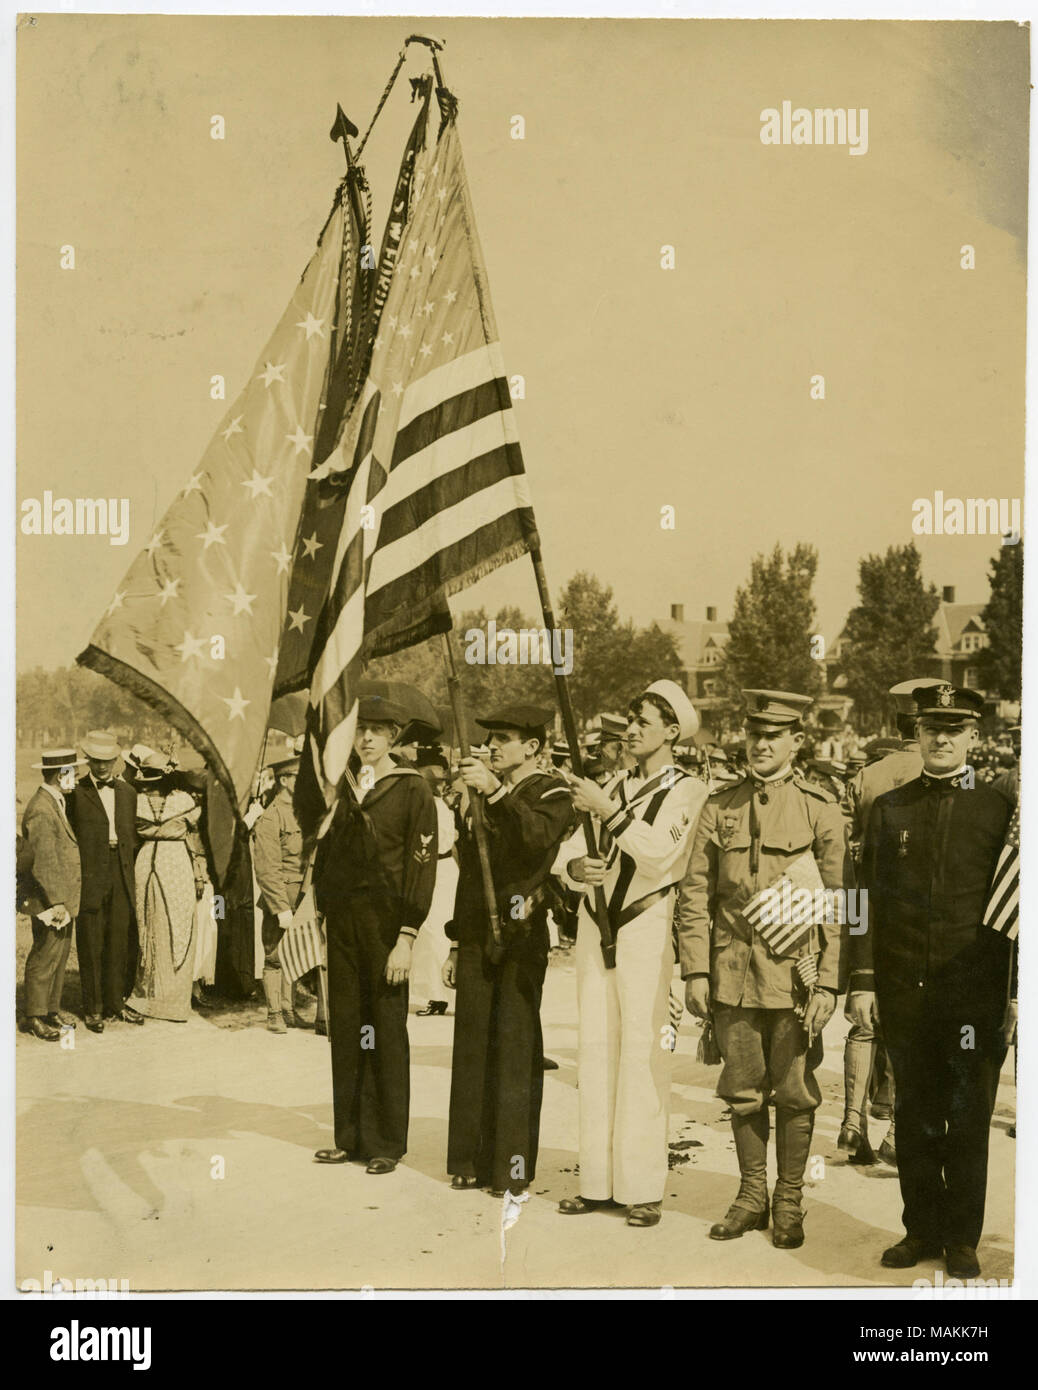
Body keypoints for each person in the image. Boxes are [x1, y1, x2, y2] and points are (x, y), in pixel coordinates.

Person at [850, 684, 1015, 1280]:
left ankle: (963, 1238)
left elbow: (1017, 913)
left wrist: (1015, 994)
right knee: (915, 1116)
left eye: (954, 729)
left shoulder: (998, 811)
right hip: (903, 989)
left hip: (973, 994)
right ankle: (920, 1227)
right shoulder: (890, 807)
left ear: (974, 736)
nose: (941, 738)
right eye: (930, 728)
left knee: (968, 1116)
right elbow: (861, 900)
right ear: (916, 734)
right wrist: (863, 981)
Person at [677, 690, 851, 1249]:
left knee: (795, 1094)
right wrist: (695, 971)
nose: (761, 744)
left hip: (794, 979)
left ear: (797, 742)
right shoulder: (719, 805)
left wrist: (827, 980)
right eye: (754, 735)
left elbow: (838, 901)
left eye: (773, 736)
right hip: (731, 974)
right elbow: (695, 893)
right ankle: (752, 1195)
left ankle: (790, 1199)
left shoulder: (820, 808)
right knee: (742, 1091)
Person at [558, 679, 707, 1227]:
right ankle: (597, 1179)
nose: (633, 728)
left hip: (644, 925)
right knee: (596, 1051)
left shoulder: (688, 791)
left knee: (643, 1053)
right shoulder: (614, 784)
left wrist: (609, 812)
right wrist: (575, 870)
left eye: (645, 721)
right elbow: (572, 850)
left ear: (672, 732)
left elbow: (658, 852)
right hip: (595, 923)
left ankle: (642, 1185)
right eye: (631, 717)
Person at [444, 704, 574, 1195]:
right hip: (479, 931)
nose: (493, 746)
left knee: (515, 1049)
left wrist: (495, 792)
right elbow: (471, 872)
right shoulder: (481, 795)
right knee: (474, 1043)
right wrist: (456, 942)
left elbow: (535, 837)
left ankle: (510, 1168)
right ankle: (471, 1159)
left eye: (503, 738)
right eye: (490, 738)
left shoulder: (552, 791)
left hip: (521, 933)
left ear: (533, 747)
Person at [312, 696, 437, 1174]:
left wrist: (406, 936)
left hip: (388, 924)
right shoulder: (340, 787)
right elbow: (323, 855)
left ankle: (386, 1141)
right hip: (343, 920)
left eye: (378, 730)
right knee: (347, 1026)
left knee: (384, 1029)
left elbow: (420, 868)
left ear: (395, 738)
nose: (366, 738)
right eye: (360, 729)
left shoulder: (412, 789)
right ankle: (350, 1135)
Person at [125, 751, 207, 1023]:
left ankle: (149, 994)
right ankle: (173, 999)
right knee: (179, 924)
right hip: (175, 863)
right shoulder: (184, 801)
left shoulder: (135, 803)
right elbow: (194, 838)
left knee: (150, 923)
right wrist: (199, 873)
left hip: (147, 861)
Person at [69, 730, 141, 1033]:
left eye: (107, 761)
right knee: (91, 941)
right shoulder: (74, 792)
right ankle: (93, 1009)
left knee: (119, 940)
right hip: (90, 875)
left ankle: (116, 1003)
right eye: (96, 761)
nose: (101, 767)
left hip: (121, 872)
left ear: (116, 760)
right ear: (88, 760)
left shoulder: (128, 794)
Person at [20, 748, 84, 1040]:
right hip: (50, 900)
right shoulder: (42, 809)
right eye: (74, 771)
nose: (78, 776)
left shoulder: (54, 801)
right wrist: (57, 901)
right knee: (45, 956)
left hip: (61, 899)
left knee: (58, 956)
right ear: (62, 775)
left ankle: (50, 1009)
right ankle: (34, 1016)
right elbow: (44, 862)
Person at [253, 756, 305, 1033]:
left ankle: (289, 1007)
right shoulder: (271, 816)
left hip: (304, 894)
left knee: (297, 954)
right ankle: (274, 1013)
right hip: (282, 895)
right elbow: (266, 867)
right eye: (298, 777)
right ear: (284, 781)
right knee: (274, 956)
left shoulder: (305, 811)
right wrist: (280, 906)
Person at [410, 753, 459, 1017]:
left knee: (439, 931)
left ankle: (447, 993)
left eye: (442, 781)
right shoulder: (427, 804)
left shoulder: (439, 806)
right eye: (436, 781)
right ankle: (435, 995)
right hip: (433, 868)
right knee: (428, 933)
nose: (441, 785)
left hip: (443, 869)